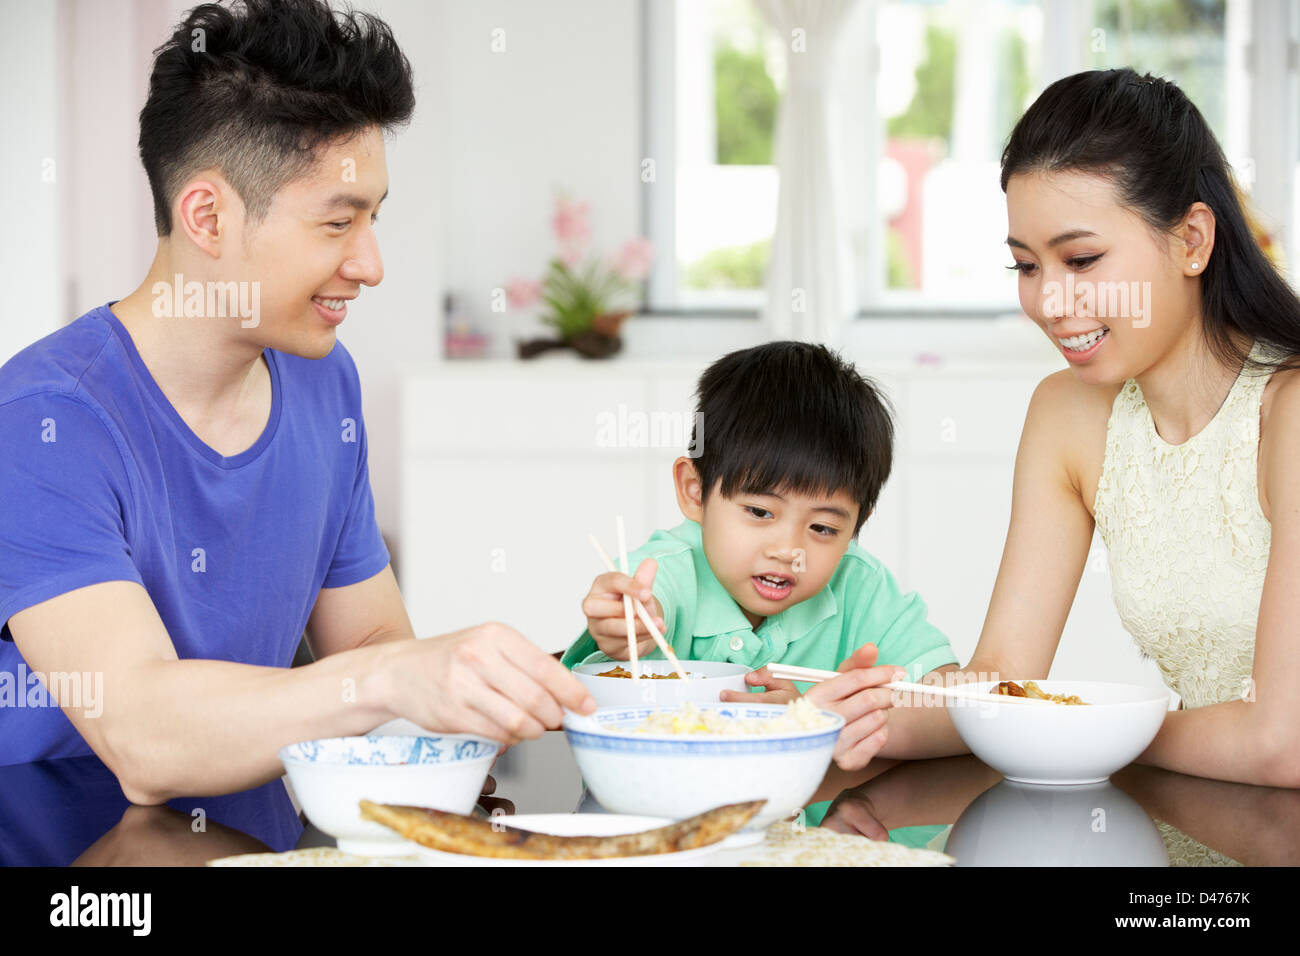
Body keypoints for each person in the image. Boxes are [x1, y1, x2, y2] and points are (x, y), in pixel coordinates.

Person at [0, 0, 593, 801]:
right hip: (70, 841)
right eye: (337, 221)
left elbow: (373, 637)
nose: (372, 264)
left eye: (374, 219)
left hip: (255, 823)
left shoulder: (322, 380)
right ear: (207, 216)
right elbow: (142, 733)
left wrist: (497, 689)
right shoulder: (46, 421)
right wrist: (391, 677)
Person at [893, 67, 1300, 788]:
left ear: (1193, 241)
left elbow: (1281, 740)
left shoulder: (1287, 412)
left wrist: (1090, 732)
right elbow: (1001, 685)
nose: (1050, 301)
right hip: (1218, 808)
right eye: (1026, 265)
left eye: (1081, 260)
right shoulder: (1068, 415)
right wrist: (836, 713)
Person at [563, 342, 961, 803]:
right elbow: (637, 604)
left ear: (859, 524)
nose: (787, 550)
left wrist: (826, 725)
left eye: (823, 527)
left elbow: (959, 707)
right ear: (695, 491)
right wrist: (622, 624)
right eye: (759, 511)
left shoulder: (861, 586)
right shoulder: (666, 573)